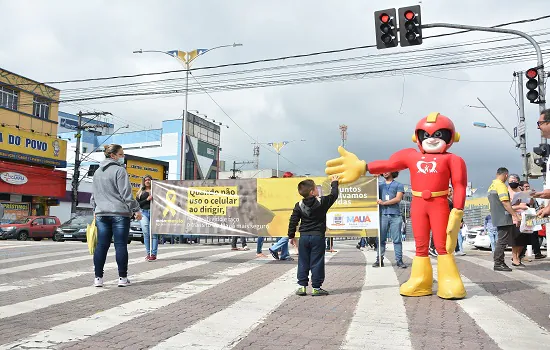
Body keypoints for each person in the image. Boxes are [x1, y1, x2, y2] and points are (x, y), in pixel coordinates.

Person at [325, 112, 467, 299]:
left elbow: (459, 185)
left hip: (439, 203)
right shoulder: (411, 156)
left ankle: (449, 281)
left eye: (439, 135)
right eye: (426, 134)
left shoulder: (453, 160)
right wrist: (364, 167)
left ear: (451, 137)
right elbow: (389, 164)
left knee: (443, 244)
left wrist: (457, 211)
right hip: (418, 205)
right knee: (421, 245)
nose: (431, 139)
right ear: (417, 137)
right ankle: (421, 281)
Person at [91, 144, 142, 287]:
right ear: (113, 156)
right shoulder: (120, 171)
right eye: (121, 154)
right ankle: (122, 278)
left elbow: (93, 196)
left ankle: (98, 278)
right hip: (119, 213)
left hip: (101, 214)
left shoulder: (97, 172)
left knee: (101, 246)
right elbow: (126, 194)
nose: (123, 157)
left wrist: (95, 210)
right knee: (120, 245)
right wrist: (136, 209)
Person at [289, 175, 339, 296]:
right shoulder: (322, 202)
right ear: (312, 192)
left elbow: (293, 220)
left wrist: (291, 236)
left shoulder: (299, 205)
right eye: (316, 188)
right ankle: (316, 288)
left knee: (303, 261)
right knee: (317, 261)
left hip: (304, 237)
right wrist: (335, 182)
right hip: (318, 236)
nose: (318, 189)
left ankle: (302, 287)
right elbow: (334, 195)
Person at [487, 167, 521, 272]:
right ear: (506, 175)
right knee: (502, 241)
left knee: (501, 240)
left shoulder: (492, 185)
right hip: (504, 217)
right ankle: (498, 263)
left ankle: (499, 262)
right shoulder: (501, 186)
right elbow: (505, 202)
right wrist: (515, 215)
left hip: (497, 216)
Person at [373, 172, 407, 269]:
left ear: (393, 172)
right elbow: (371, 191)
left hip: (395, 215)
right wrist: (374, 180)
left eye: (388, 170)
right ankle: (379, 259)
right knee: (381, 239)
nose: (385, 172)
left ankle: (399, 261)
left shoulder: (399, 185)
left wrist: (384, 203)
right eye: (383, 171)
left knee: (397, 239)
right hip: (382, 215)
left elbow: (398, 199)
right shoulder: (379, 185)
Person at [137, 175, 157, 261]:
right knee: (146, 232)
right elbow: (137, 204)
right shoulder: (140, 192)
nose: (147, 181)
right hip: (144, 213)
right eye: (146, 180)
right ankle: (148, 253)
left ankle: (153, 254)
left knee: (154, 234)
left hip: (154, 213)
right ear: (143, 182)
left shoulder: (156, 190)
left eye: (149, 179)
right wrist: (147, 199)